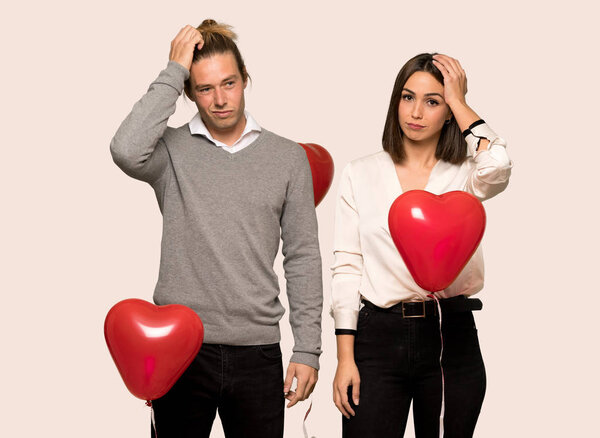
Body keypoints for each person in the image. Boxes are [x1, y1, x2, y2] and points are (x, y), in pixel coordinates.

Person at [110, 20, 322, 438]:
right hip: (179, 352)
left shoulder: (288, 158)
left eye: (229, 83)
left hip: (258, 353)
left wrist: (307, 348)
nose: (220, 99)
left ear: (246, 79)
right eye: (205, 88)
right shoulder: (170, 151)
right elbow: (125, 149)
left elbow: (302, 256)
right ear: (189, 92)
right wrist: (173, 70)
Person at [330, 53, 512, 437]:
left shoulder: (466, 174)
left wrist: (460, 101)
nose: (416, 111)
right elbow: (347, 267)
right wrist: (345, 356)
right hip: (377, 338)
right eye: (407, 97)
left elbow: (498, 165)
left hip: (451, 334)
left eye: (433, 101)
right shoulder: (360, 173)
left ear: (448, 113)